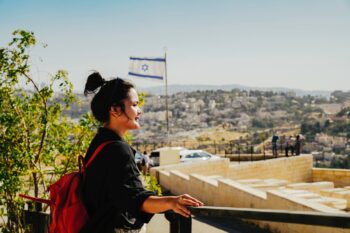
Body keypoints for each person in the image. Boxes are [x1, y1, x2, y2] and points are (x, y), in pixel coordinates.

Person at [81, 72, 203, 233]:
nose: (140, 111)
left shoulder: (100, 143)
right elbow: (135, 199)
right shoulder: (116, 149)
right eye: (134, 104)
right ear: (115, 110)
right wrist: (171, 202)